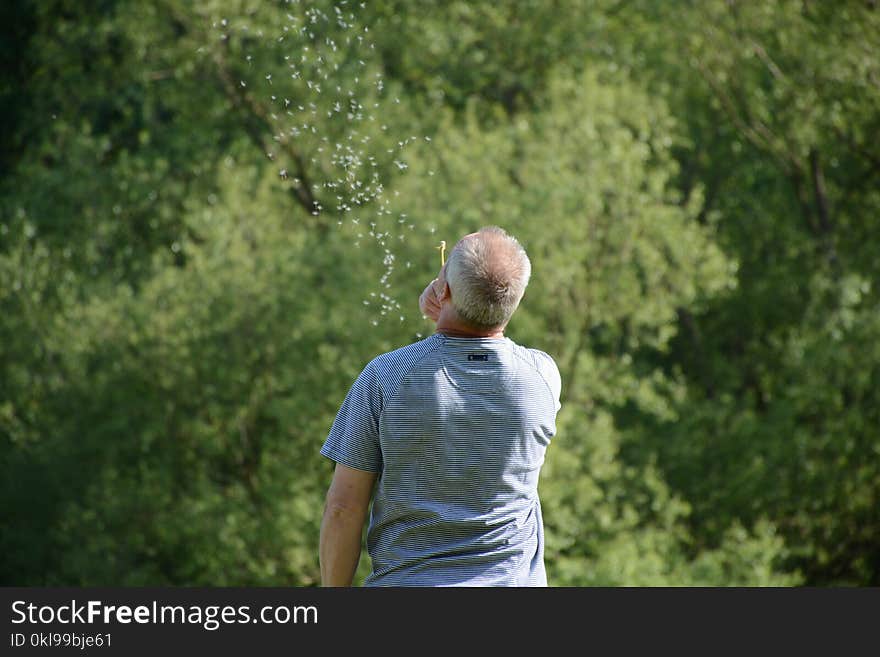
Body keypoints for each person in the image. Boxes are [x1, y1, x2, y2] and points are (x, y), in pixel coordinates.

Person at [318, 226, 562, 586]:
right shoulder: (542, 377)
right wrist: (455, 292)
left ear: (443, 289)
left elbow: (343, 509)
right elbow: (491, 283)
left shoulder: (387, 376)